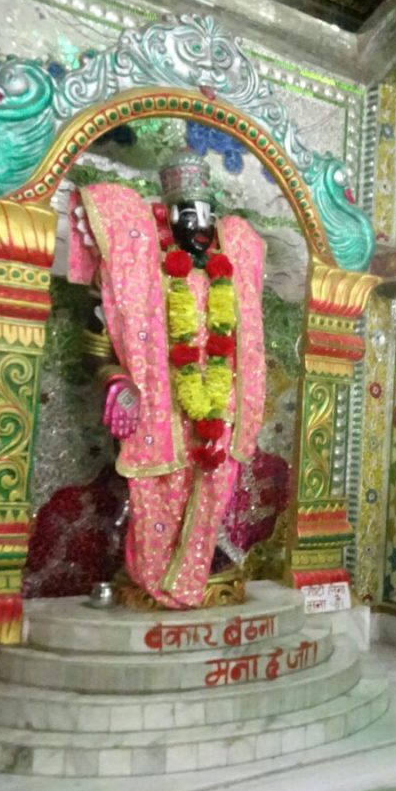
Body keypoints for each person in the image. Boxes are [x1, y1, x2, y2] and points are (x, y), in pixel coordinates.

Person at [68, 151, 267, 608]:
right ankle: (155, 574)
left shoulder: (230, 272)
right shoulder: (134, 266)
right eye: (188, 218)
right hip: (160, 408)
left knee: (214, 485)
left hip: (221, 407)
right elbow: (96, 341)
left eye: (206, 218)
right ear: (168, 217)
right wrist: (114, 380)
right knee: (159, 490)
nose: (199, 228)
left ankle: (195, 565)